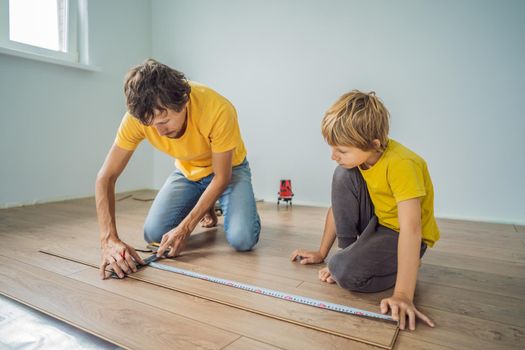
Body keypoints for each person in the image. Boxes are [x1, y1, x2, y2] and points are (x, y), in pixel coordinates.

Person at [96, 59, 260, 280]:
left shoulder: (218, 108)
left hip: (229, 171)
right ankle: (207, 203)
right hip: (188, 172)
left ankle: (222, 204)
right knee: (153, 235)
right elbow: (106, 177)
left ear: (183, 102)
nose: (159, 132)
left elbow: (221, 177)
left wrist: (185, 228)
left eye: (164, 121)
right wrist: (108, 239)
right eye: (151, 125)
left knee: (243, 239)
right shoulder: (138, 117)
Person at [290, 90, 439, 331]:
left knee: (345, 273)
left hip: (403, 234)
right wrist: (321, 252)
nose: (333, 156)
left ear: (374, 144)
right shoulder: (358, 161)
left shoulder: (402, 164)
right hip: (379, 223)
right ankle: (347, 255)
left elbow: (412, 229)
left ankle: (404, 265)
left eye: (342, 150)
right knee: (342, 175)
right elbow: (339, 207)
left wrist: (402, 294)